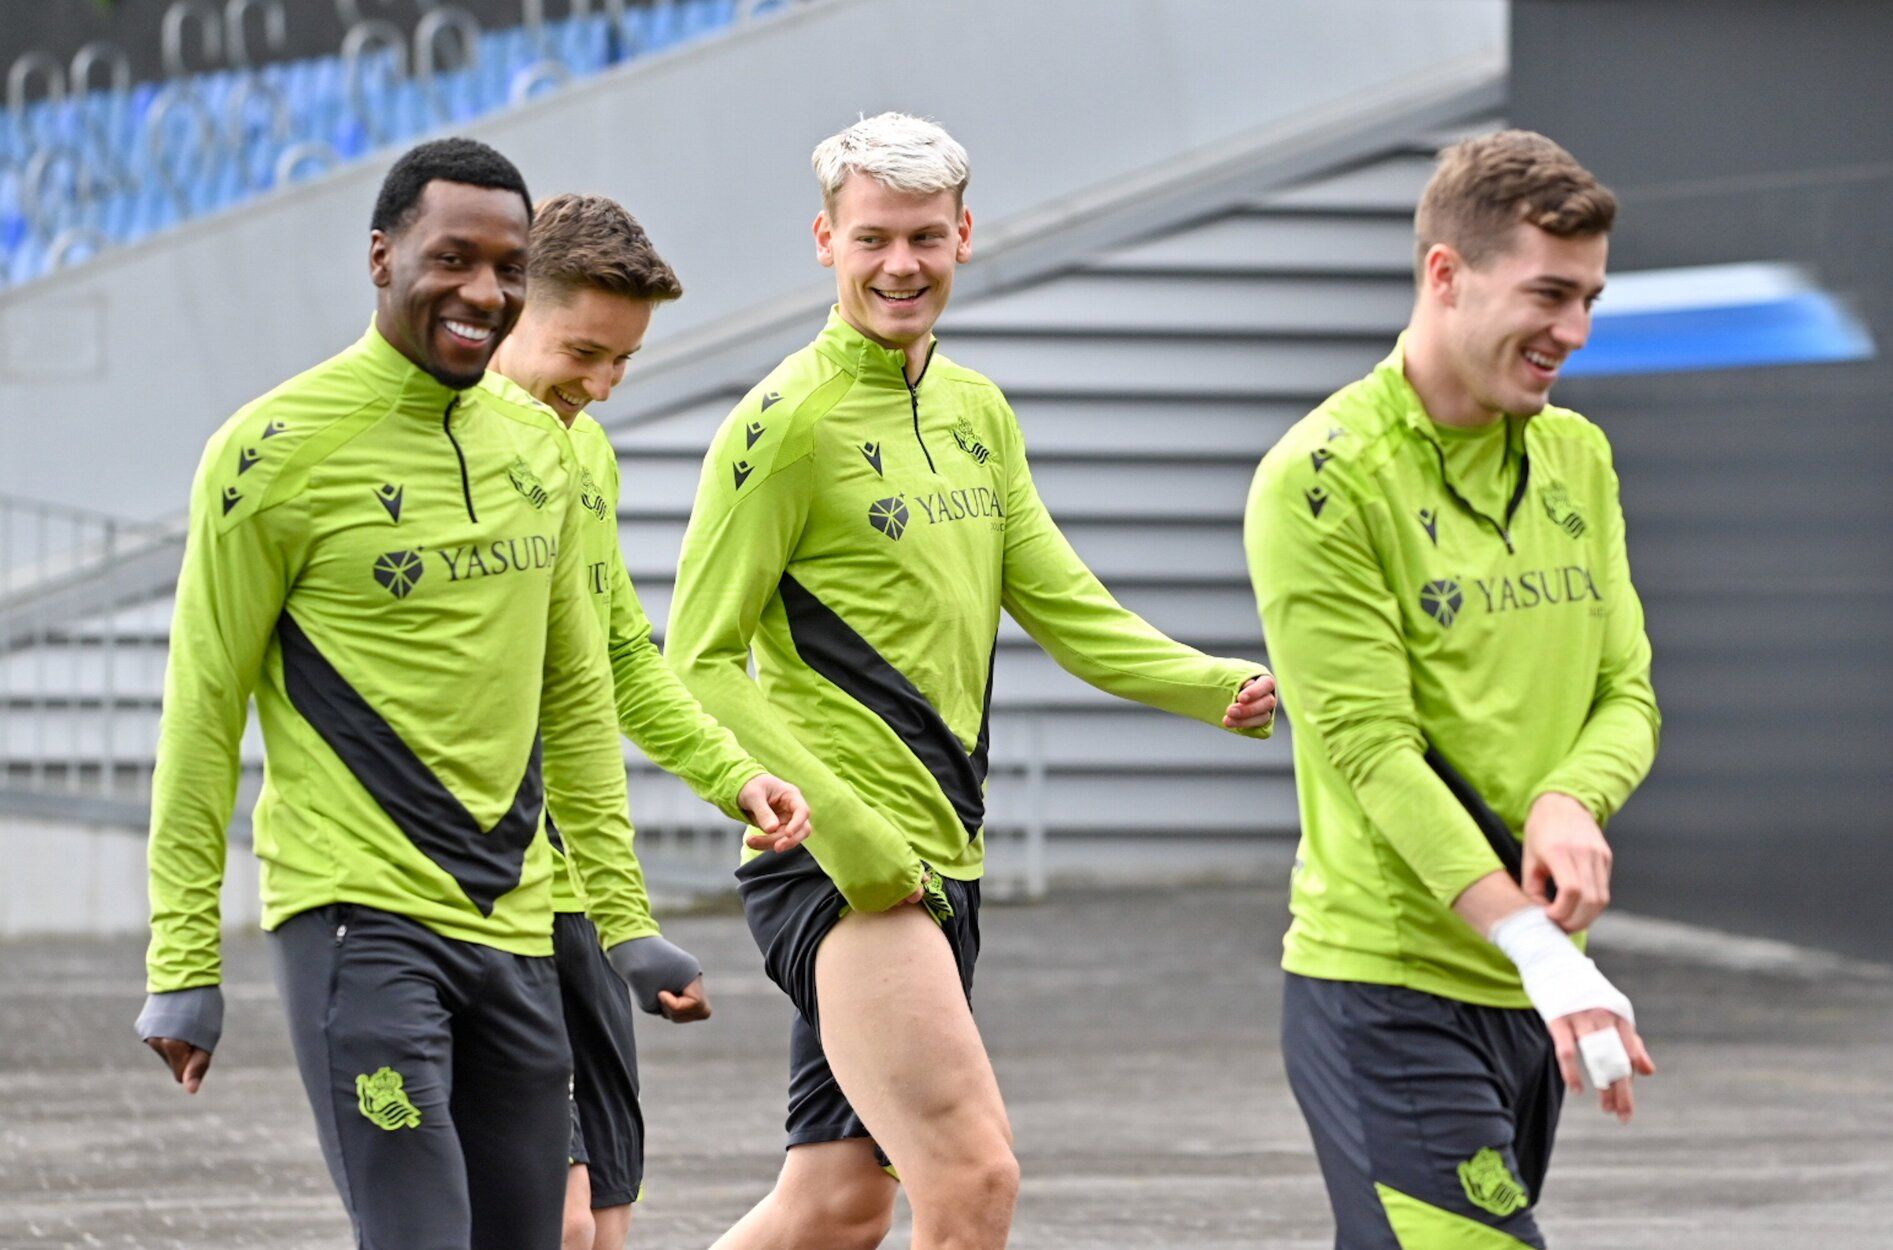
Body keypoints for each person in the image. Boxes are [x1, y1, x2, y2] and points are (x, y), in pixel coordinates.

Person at [665, 112, 1279, 1250]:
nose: (900, 265)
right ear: (826, 241)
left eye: (924, 237)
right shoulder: (783, 424)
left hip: (945, 853)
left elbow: (1067, 606)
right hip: (844, 868)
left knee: (834, 1206)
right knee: (973, 1178)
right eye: (872, 238)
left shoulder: (978, 411)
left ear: (963, 235)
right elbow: (697, 663)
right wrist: (848, 835)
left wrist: (1212, 685)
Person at [133, 138, 720, 1250]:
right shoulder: (268, 453)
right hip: (358, 923)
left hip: (515, 929)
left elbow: (577, 702)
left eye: (508, 268)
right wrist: (183, 962)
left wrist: (627, 923)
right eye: (454, 259)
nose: (483, 293)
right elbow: (203, 709)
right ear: (382, 256)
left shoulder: (542, 452)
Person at [1244, 129, 1661, 1248]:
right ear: (1446, 273)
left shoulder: (1578, 457)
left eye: (1589, 299)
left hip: (1525, 997)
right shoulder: (1320, 478)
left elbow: (1627, 691)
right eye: (1549, 294)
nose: (1575, 331)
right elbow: (1369, 749)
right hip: (1386, 994)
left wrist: (1571, 798)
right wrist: (1543, 950)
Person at [486, 191, 811, 1250]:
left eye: (622, 360)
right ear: (505, 310)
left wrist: (734, 776)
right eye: (583, 353)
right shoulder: (436, 457)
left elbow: (622, 656)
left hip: (583, 895)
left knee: (608, 1221)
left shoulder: (587, 454)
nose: (601, 385)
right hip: (481, 900)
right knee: (559, 1221)